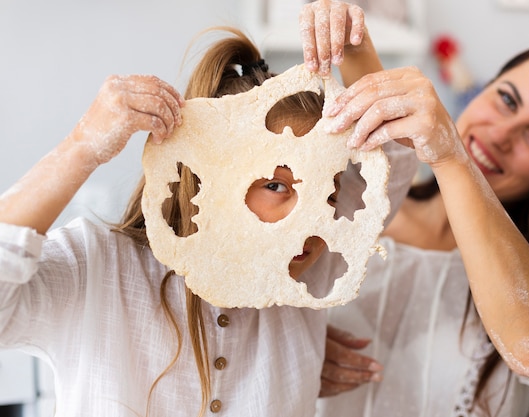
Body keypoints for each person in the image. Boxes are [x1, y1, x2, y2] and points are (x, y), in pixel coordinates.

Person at [0, 9, 418, 417]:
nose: (311, 219)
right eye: (276, 186)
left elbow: (391, 163)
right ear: (211, 181)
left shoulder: (311, 273)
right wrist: (82, 146)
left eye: (329, 194)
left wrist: (351, 43)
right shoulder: (99, 269)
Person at [301, 1, 529, 416]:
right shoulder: (345, 209)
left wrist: (453, 157)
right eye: (507, 99)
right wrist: (293, 343)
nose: (502, 134)